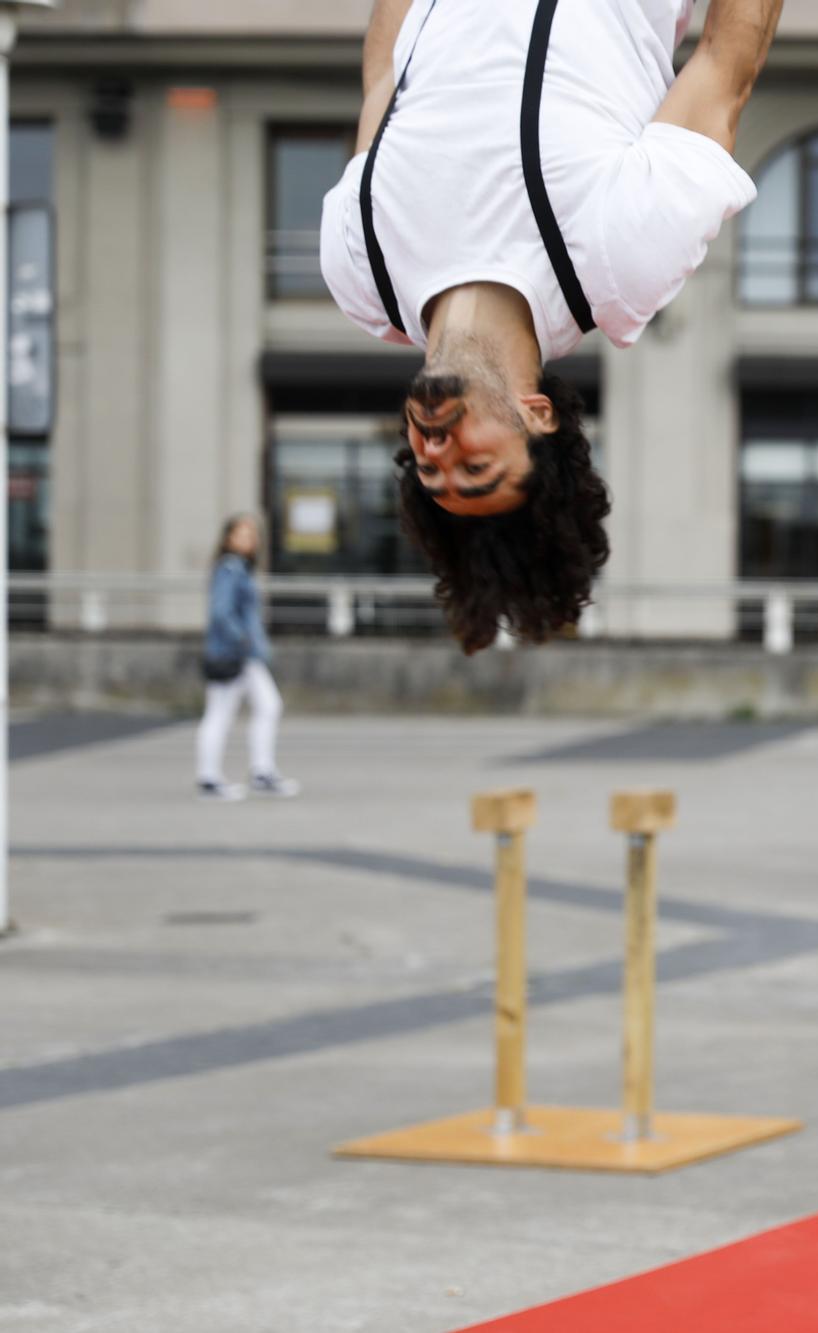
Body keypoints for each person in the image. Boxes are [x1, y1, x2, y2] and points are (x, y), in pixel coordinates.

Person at [321, 0, 783, 653]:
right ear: (537, 415)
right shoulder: (618, 263)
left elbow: (384, 79)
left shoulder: (362, 268)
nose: (437, 451)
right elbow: (725, 61)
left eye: (430, 472)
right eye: (476, 465)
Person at [197, 517, 302, 803]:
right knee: (221, 713)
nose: (249, 540)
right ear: (228, 538)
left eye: (252, 534)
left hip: (242, 654)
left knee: (268, 706)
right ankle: (210, 778)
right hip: (234, 654)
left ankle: (261, 771)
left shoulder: (238, 569)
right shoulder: (231, 569)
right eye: (241, 534)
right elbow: (221, 612)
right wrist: (242, 639)